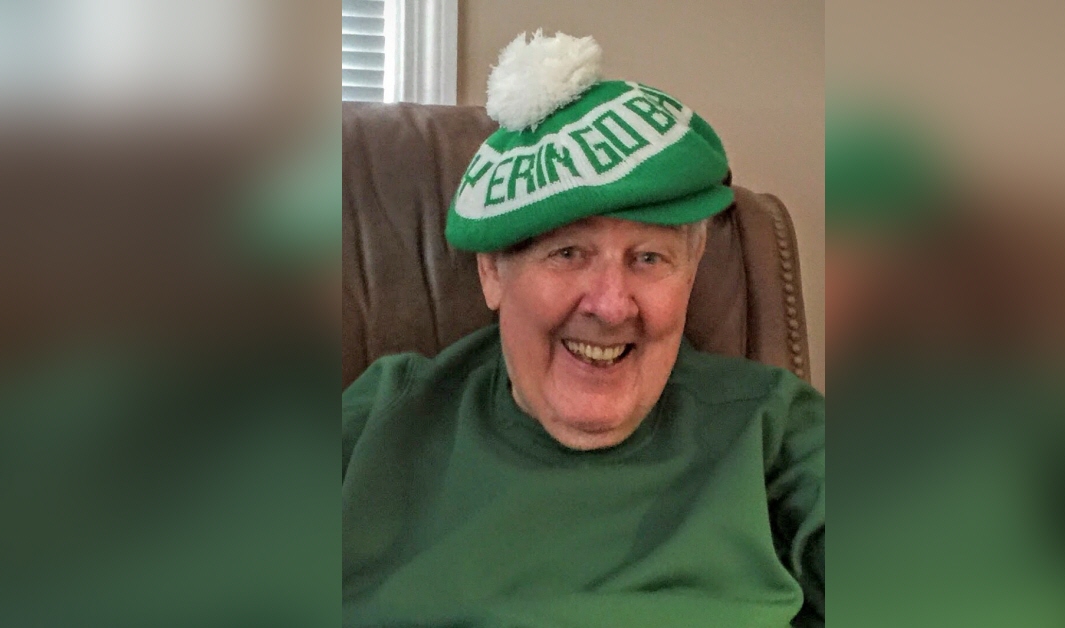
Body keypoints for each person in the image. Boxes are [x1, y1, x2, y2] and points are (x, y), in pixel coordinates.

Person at [342, 31, 825, 627]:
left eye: (649, 257)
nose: (611, 305)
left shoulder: (772, 426)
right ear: (492, 271)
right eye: (568, 253)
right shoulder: (383, 422)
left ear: (693, 268)